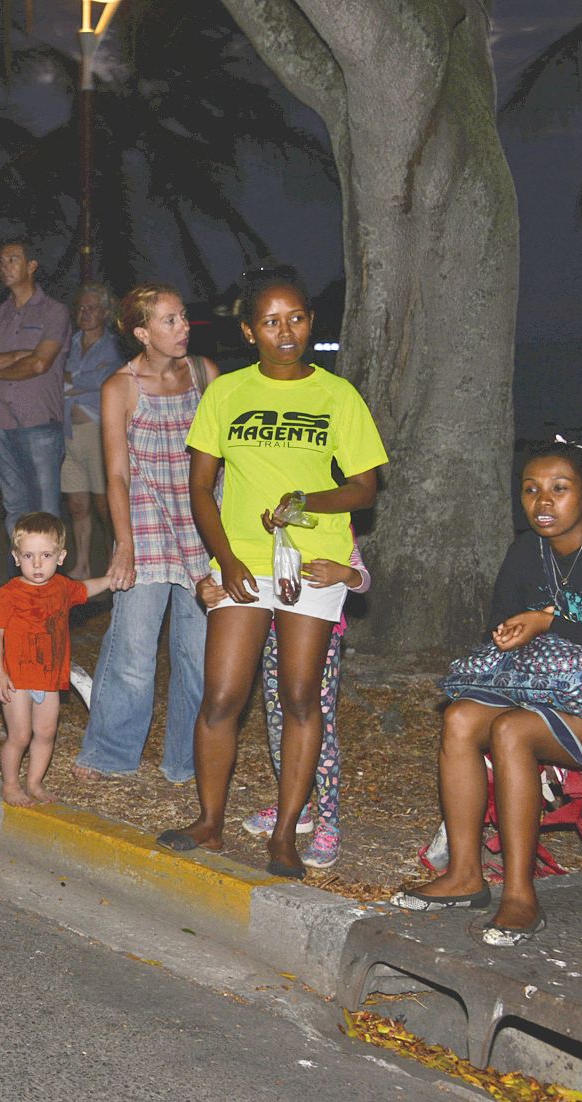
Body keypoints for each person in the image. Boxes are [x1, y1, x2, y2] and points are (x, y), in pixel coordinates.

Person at [157, 264, 387, 881]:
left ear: (310, 322)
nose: (286, 332)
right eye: (271, 321)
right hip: (244, 567)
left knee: (300, 699)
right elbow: (200, 488)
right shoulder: (227, 392)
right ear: (249, 330)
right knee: (223, 697)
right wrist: (226, 559)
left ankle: (286, 833)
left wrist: (311, 501)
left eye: (297, 319)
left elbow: (364, 488)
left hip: (313, 566)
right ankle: (209, 820)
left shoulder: (338, 397)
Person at [391, 442, 582, 945]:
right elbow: (501, 622)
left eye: (560, 489)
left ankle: (520, 895)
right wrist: (511, 632)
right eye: (531, 489)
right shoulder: (525, 551)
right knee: (460, 718)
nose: (543, 502)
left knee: (513, 730)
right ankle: (465, 876)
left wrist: (553, 623)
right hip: (550, 692)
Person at [74, 284, 218, 785]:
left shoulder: (203, 374)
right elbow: (116, 474)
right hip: (147, 523)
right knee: (133, 652)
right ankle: (112, 753)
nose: (183, 328)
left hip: (202, 527)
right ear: (141, 332)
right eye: (170, 321)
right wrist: (124, 546)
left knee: (198, 656)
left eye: (182, 318)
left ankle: (185, 760)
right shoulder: (121, 387)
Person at [200, 541, 371, 869]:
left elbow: (363, 579)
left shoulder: (331, 526)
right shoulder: (264, 528)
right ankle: (298, 808)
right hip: (272, 638)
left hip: (318, 639)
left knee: (317, 729)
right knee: (278, 727)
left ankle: (329, 823)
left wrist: (344, 574)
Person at [0, 511, 117, 807]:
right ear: (16, 556)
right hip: (16, 678)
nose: (37, 564)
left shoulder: (62, 587)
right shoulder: (7, 595)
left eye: (46, 555)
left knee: (46, 732)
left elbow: (87, 588)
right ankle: (10, 784)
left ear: (61, 557)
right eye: (28, 555)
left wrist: (111, 580)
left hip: (49, 678)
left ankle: (34, 782)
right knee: (19, 735)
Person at [0, 238, 69, 536]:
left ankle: (48, 581)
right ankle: (20, 578)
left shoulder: (54, 312)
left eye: (12, 259)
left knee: (46, 511)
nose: (4, 266)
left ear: (32, 266)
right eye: (1, 261)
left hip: (39, 422)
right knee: (14, 508)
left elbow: (40, 364)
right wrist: (17, 356)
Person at [58, 283, 121, 578]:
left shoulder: (114, 346)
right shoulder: (69, 342)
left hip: (98, 434)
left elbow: (104, 385)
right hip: (69, 433)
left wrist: (72, 381)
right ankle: (81, 563)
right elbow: (59, 378)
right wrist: (77, 381)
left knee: (105, 507)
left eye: (92, 307)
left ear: (106, 312)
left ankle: (115, 564)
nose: (85, 313)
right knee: (77, 504)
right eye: (81, 307)